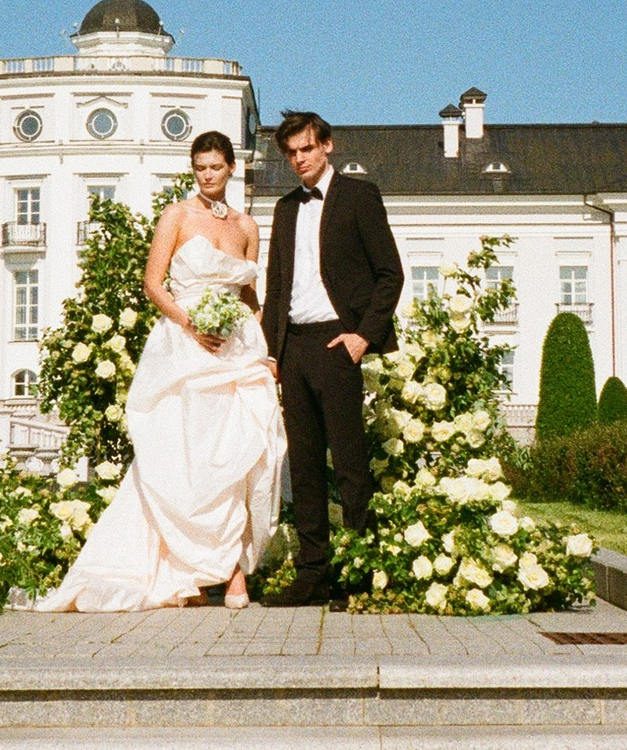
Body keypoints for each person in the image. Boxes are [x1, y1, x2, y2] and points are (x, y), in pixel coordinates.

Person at [37, 130, 287, 611]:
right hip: (185, 345)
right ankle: (189, 570)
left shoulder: (248, 227)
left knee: (243, 454)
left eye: (215, 167)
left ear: (231, 168)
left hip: (236, 348)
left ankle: (234, 570)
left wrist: (261, 343)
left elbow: (252, 295)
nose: (207, 176)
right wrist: (193, 324)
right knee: (186, 458)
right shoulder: (176, 215)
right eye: (199, 168)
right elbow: (154, 284)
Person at [258, 109, 403, 608]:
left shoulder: (359, 197)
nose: (299, 159)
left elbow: (390, 275)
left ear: (327, 146)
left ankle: (360, 572)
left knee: (349, 463)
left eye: (306, 149)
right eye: (291, 153)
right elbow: (277, 285)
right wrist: (271, 352)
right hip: (293, 347)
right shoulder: (283, 208)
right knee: (303, 466)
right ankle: (312, 573)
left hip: (337, 344)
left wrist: (363, 336)